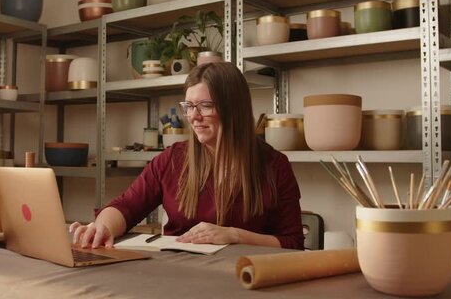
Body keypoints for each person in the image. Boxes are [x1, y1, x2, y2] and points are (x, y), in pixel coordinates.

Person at [70, 62, 303, 250]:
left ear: (233, 109)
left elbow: (292, 243)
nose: (194, 116)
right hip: (177, 274)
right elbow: (126, 206)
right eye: (189, 106)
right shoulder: (172, 159)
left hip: (242, 277)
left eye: (205, 106)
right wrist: (103, 227)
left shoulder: (274, 166)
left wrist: (234, 235)